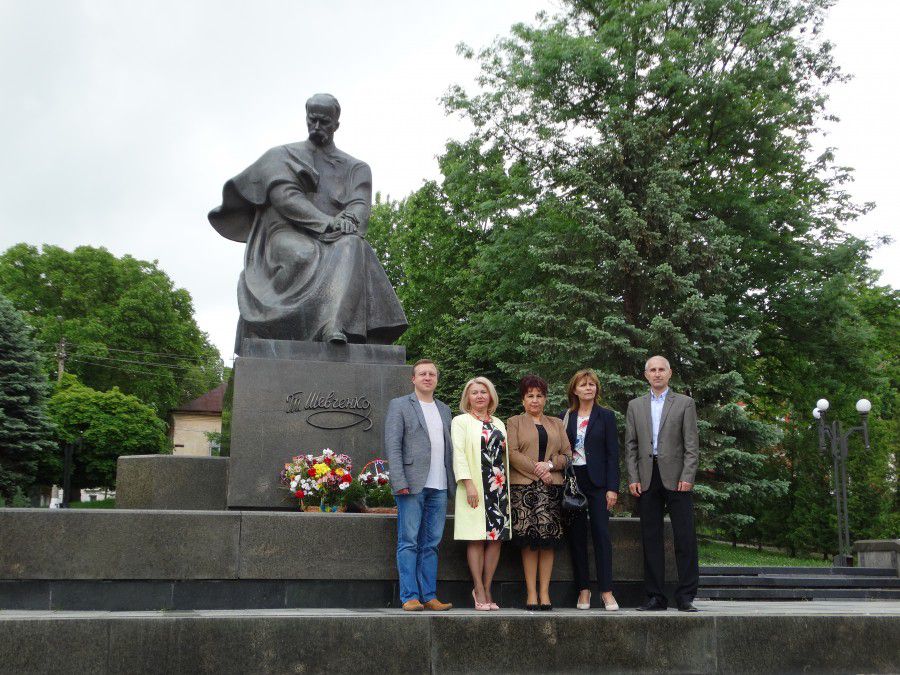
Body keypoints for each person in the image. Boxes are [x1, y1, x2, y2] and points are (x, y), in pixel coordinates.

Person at [209, 93, 408, 352]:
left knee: (354, 245)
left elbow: (359, 204)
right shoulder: (282, 156)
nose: (316, 127)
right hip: (286, 233)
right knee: (302, 254)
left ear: (336, 125)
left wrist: (348, 221)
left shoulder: (356, 168)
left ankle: (334, 326)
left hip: (335, 238)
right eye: (312, 120)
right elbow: (285, 197)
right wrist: (328, 222)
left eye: (324, 122)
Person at [625, 355, 700, 612]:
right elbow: (631, 446)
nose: (657, 374)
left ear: (669, 373)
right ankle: (655, 597)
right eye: (652, 370)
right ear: (646, 375)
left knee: (685, 537)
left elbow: (692, 445)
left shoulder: (685, 403)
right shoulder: (635, 406)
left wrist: (688, 476)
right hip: (647, 477)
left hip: (678, 478)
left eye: (661, 370)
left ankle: (686, 596)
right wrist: (633, 477)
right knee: (651, 538)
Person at [384, 359, 455, 611]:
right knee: (409, 541)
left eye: (432, 374)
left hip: (440, 485)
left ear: (437, 379)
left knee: (431, 543)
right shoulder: (400, 405)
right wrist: (399, 481)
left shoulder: (444, 409)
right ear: (413, 379)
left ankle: (429, 596)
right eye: (422, 373)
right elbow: (393, 445)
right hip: (411, 485)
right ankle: (410, 596)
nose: (427, 377)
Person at [506, 374, 572, 610]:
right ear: (523, 400)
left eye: (539, 396)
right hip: (523, 489)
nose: (535, 400)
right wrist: (539, 471)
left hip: (551, 489)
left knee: (548, 542)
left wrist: (550, 466)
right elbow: (512, 453)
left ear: (545, 399)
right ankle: (531, 593)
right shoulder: (514, 422)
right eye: (530, 396)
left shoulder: (556, 423)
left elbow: (567, 455)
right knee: (529, 542)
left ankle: (545, 592)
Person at [561, 369, 620, 611]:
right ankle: (583, 590)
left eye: (592, 384)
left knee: (601, 535)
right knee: (576, 537)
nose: (588, 388)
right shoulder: (565, 417)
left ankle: (606, 591)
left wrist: (612, 488)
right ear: (574, 390)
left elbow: (612, 454)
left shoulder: (606, 416)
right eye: (584, 385)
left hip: (598, 483)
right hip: (574, 482)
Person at [451, 377, 510, 611]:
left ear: (490, 396)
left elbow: (504, 453)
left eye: (483, 392)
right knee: (475, 536)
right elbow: (458, 453)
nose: (479, 396)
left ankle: (487, 586)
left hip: (498, 486)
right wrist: (468, 483)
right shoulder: (461, 422)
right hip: (474, 485)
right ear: (467, 397)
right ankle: (478, 588)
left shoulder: (498, 422)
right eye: (474, 392)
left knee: (495, 538)